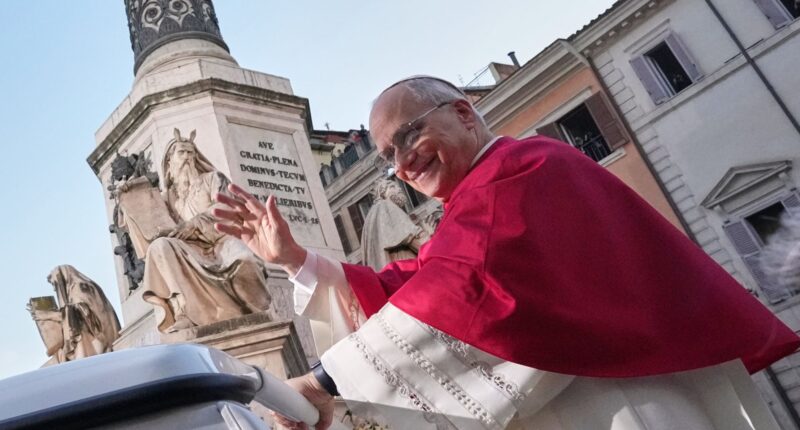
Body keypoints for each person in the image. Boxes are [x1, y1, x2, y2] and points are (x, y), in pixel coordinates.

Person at [214, 76, 800, 430]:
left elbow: (466, 291)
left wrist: (322, 383)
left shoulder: (524, 170)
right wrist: (296, 260)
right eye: (387, 156)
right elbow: (417, 283)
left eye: (409, 135)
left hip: (621, 405)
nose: (402, 163)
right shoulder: (473, 203)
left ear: (464, 113)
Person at [142, 129, 272, 333]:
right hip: (190, 249)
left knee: (245, 260)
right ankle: (184, 310)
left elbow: (227, 208)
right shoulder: (169, 198)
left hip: (221, 239)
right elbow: (155, 222)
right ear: (169, 162)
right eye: (181, 153)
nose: (187, 158)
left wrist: (194, 224)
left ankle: (254, 312)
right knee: (159, 247)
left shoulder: (213, 179)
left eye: (190, 153)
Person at [29, 265, 121, 364]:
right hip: (98, 337)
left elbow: (81, 314)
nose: (55, 289)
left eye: (55, 284)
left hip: (100, 340)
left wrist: (49, 315)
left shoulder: (80, 287)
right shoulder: (81, 286)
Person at [361, 178, 428, 271]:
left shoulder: (371, 217)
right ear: (382, 193)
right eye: (392, 186)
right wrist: (435, 247)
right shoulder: (385, 205)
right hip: (405, 267)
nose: (399, 189)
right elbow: (411, 236)